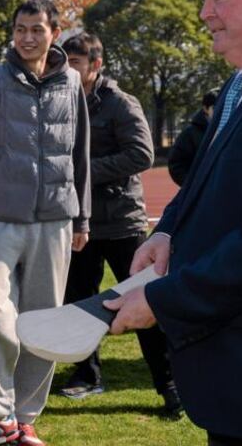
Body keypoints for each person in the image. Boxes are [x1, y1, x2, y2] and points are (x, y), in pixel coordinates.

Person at [107, 0, 242, 446]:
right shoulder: (240, 84)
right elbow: (205, 180)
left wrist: (166, 301)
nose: (204, 13)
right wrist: (168, 231)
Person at [0, 0, 90, 446]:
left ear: (54, 32)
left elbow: (79, 153)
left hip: (55, 222)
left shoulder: (71, 83)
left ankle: (24, 417)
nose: (27, 37)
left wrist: (82, 217)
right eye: (20, 29)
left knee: (42, 323)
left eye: (36, 29)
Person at [58, 32, 181, 414]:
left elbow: (142, 155)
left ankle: (169, 385)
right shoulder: (61, 102)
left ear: (95, 66)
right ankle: (86, 375)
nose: (68, 70)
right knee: (78, 302)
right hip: (79, 223)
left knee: (144, 303)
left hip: (122, 223)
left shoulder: (121, 104)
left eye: (75, 64)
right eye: (65, 63)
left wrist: (83, 173)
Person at [167, 89, 218, 186]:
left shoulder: (232, 129)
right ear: (205, 109)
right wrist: (192, 186)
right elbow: (176, 164)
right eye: (215, 107)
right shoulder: (190, 134)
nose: (220, 110)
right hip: (201, 194)